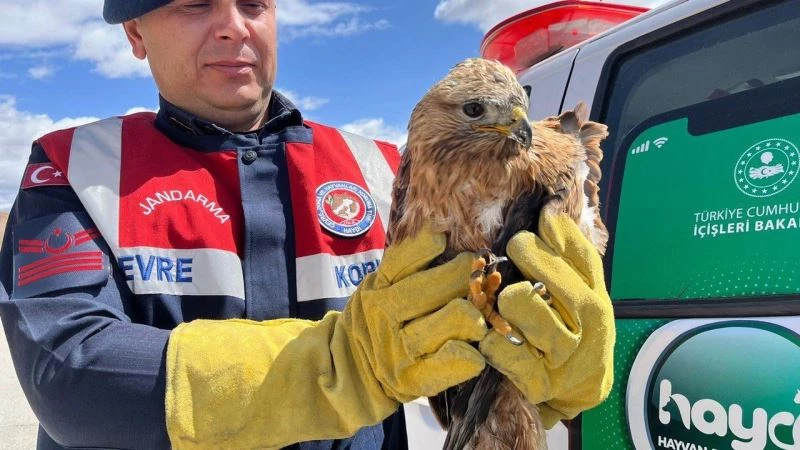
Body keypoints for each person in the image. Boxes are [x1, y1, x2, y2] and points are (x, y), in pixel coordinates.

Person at [0, 1, 615, 449]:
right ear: (136, 32)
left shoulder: (388, 166)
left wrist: (544, 368)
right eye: (196, 5)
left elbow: (455, 342)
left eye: (254, 5)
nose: (234, 26)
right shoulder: (78, 167)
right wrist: (340, 366)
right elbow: (70, 374)